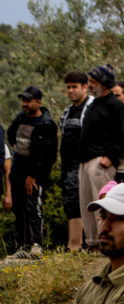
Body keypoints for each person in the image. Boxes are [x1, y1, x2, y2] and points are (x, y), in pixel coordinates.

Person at [79, 64, 124, 251]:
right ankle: (91, 242)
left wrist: (110, 156)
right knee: (86, 204)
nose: (91, 85)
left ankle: (105, 241)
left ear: (103, 83)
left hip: (100, 163)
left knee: (101, 205)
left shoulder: (115, 105)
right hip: (85, 162)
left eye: (94, 82)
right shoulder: (93, 103)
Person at [6, 85, 58, 259]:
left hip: (35, 175)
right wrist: (16, 145)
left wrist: (34, 175)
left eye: (28, 100)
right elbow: (11, 133)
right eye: (23, 100)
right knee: (19, 210)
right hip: (17, 172)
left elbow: (49, 155)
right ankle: (22, 245)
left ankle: (37, 245)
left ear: (38, 102)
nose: (24, 103)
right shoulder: (20, 118)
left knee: (33, 208)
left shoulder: (47, 124)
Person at [59, 71, 93, 251]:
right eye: (68, 87)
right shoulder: (68, 111)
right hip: (68, 166)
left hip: (86, 163)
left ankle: (84, 244)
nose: (71, 91)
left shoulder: (91, 107)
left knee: (85, 202)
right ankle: (73, 245)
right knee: (71, 202)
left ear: (85, 87)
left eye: (74, 87)